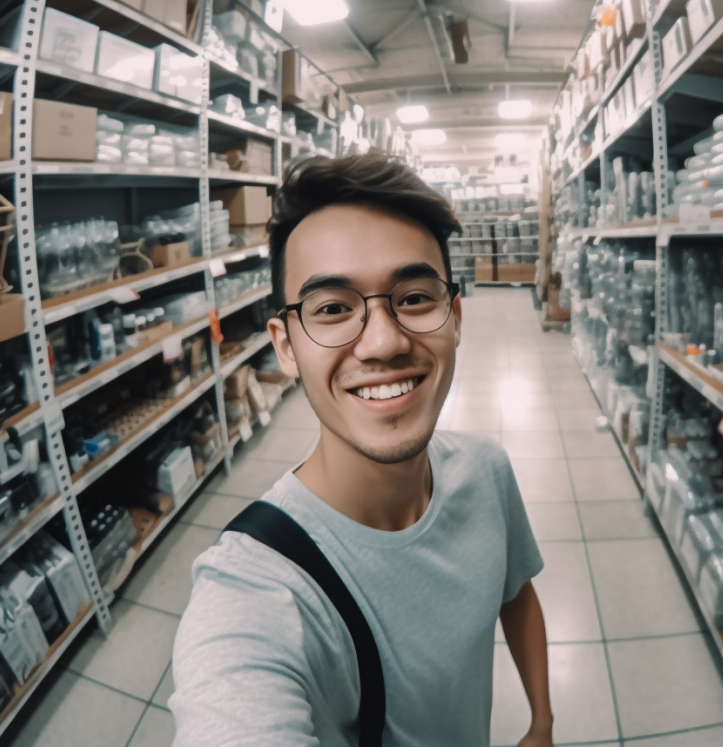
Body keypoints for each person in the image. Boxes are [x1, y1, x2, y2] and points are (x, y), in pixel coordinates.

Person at [170, 153, 552, 746]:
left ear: (455, 317)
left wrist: (542, 723)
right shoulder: (256, 595)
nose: (383, 342)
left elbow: (516, 594)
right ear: (287, 346)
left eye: (416, 298)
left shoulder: (486, 470)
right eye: (332, 309)